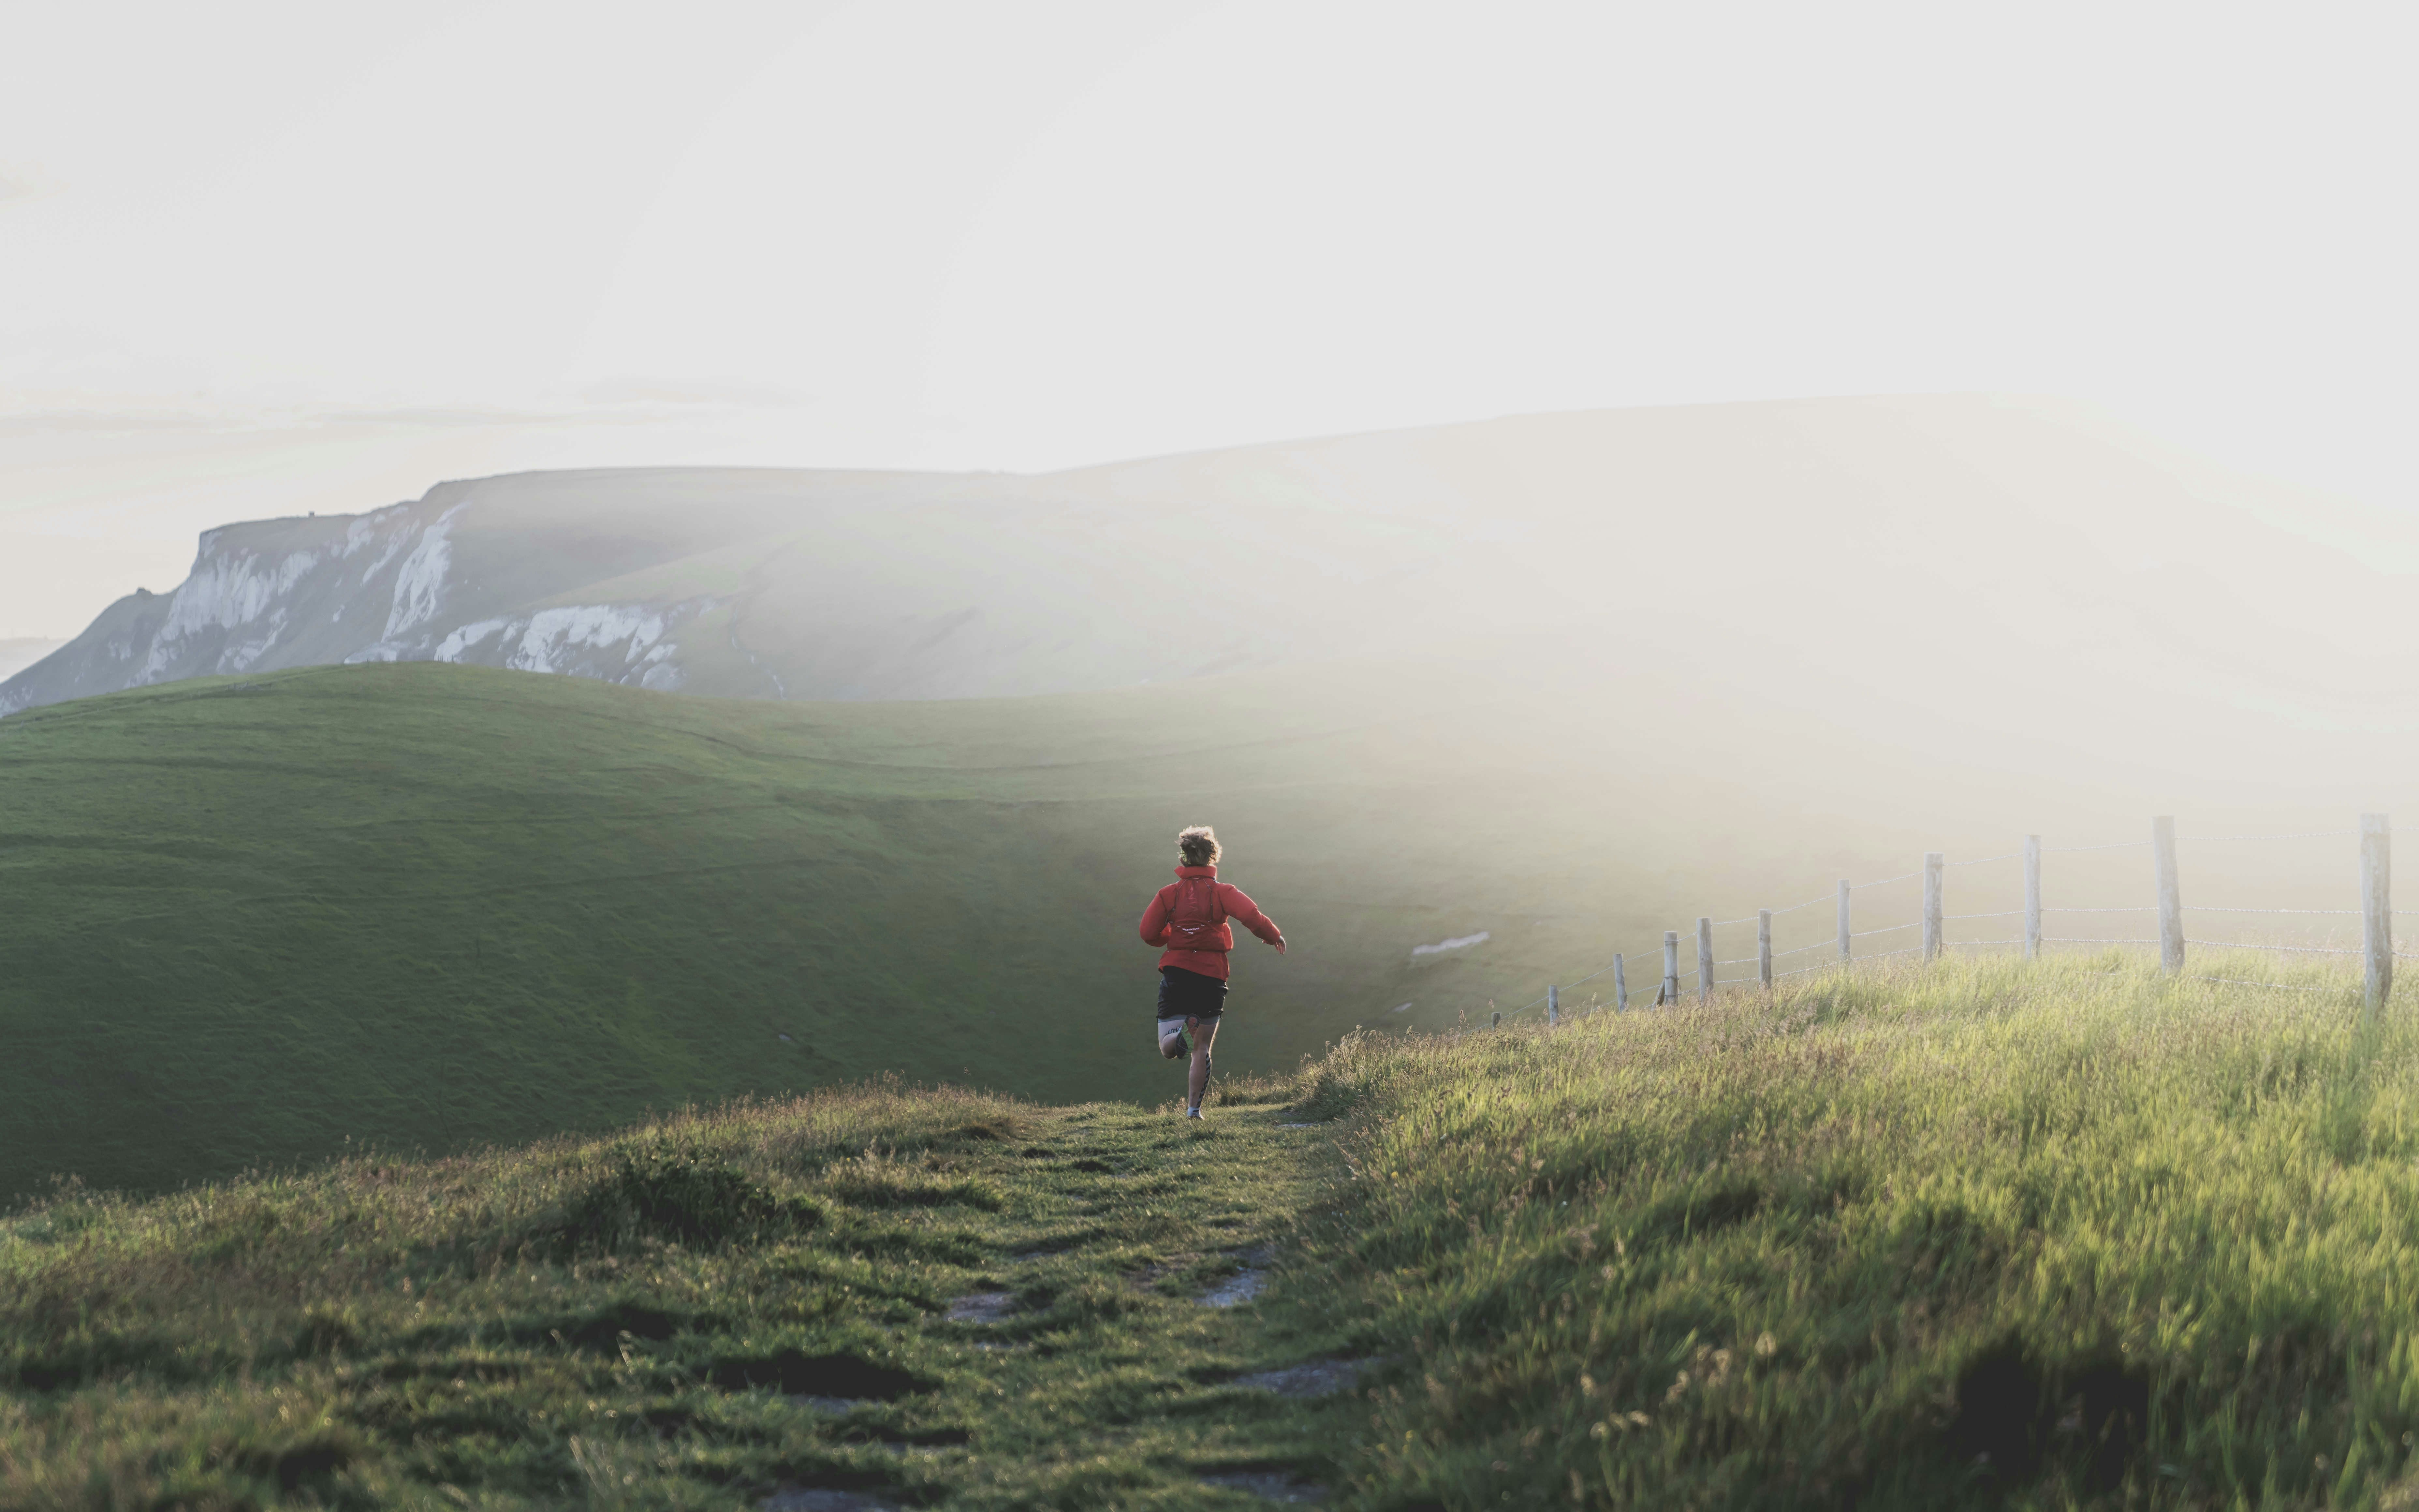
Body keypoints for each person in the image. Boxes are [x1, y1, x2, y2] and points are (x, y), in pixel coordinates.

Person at [1137, 824, 1285, 1120]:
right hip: (1212, 977)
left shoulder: (1168, 895)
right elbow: (1251, 916)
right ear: (1212, 857)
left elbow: (1147, 932)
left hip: (1177, 974)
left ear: (1183, 858)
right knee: (1201, 1048)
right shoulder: (1224, 892)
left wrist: (1171, 935)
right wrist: (1273, 935)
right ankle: (1194, 1111)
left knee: (1168, 1050)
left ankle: (1179, 1037)